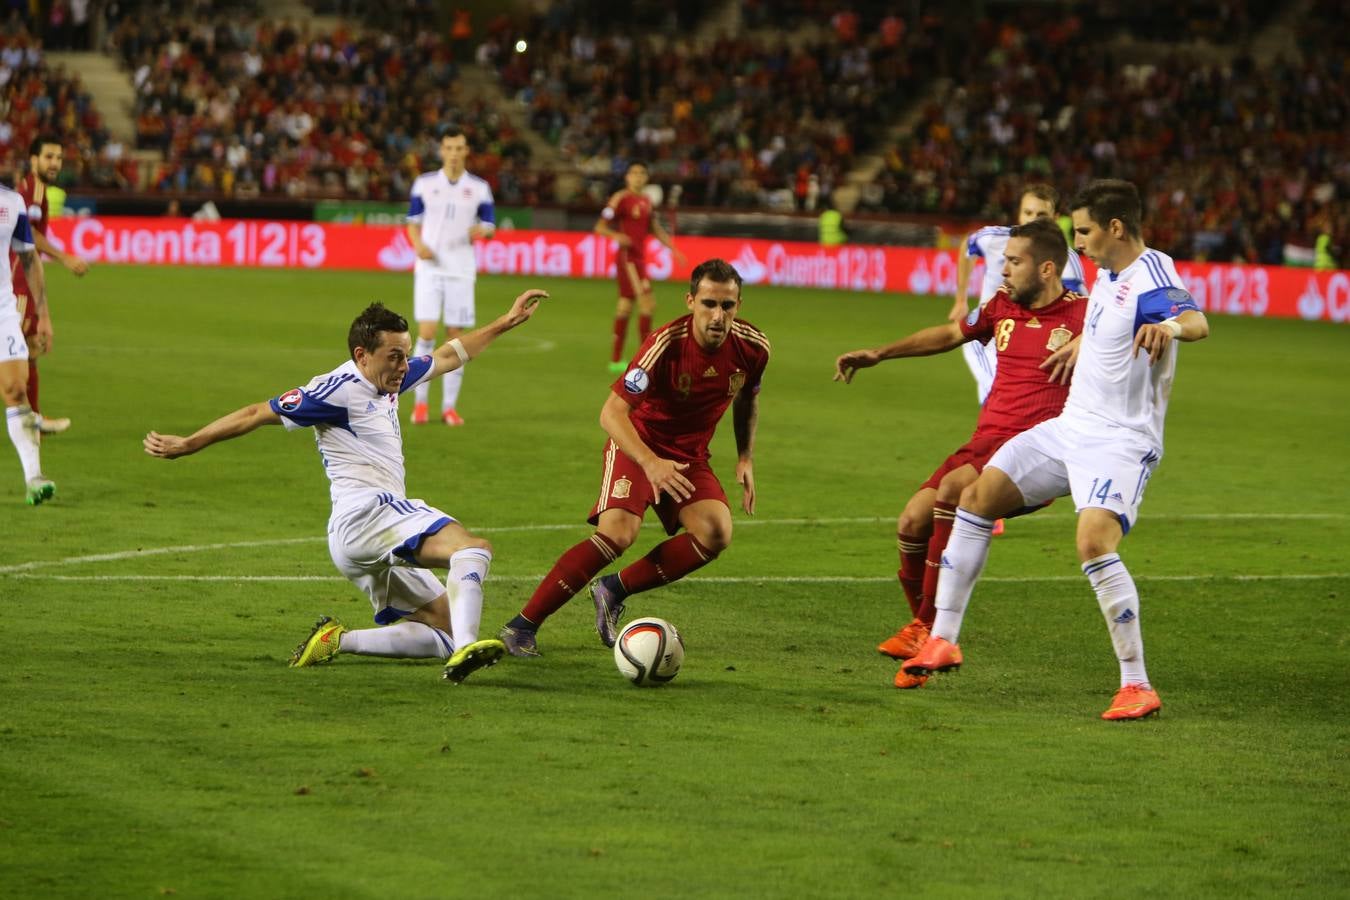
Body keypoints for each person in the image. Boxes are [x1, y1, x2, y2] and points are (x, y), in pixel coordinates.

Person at [903, 179, 1210, 720]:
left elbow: (1196, 320)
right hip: (1070, 427)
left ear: (1116, 228)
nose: (1078, 243)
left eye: (1085, 231)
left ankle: (1137, 684)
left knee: (1093, 544)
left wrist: (1168, 327)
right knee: (976, 497)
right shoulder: (1105, 274)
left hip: (1120, 439)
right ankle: (944, 638)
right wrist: (1082, 342)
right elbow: (1105, 321)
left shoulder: (1151, 272)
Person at [144, 289, 550, 683]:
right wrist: (190, 443)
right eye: (394, 356)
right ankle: (469, 646)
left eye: (405, 354)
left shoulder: (390, 378)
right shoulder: (334, 391)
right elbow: (256, 412)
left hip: (356, 539)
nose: (403, 365)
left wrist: (506, 322)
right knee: (472, 549)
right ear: (362, 355)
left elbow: (448, 355)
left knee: (441, 628)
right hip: (370, 514)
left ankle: (340, 640)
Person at [835, 217, 1085, 688]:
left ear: (1048, 268)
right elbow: (950, 335)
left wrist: (1090, 339)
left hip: (1031, 455)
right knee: (911, 520)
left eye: (1014, 261)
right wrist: (881, 354)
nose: (1003, 269)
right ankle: (926, 634)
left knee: (952, 490)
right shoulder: (1001, 306)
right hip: (983, 443)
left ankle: (931, 631)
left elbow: (1147, 321)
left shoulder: (1085, 315)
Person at [498, 258, 768, 657]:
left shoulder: (753, 347)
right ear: (690, 301)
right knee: (618, 533)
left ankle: (613, 589)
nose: (718, 315)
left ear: (738, 306)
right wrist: (650, 462)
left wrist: (745, 457)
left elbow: (748, 397)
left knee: (716, 533)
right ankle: (521, 626)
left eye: (727, 306)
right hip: (638, 442)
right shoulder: (664, 345)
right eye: (709, 303)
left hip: (689, 455)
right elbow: (611, 413)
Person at [952, 184, 1085, 405]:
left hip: (1028, 340)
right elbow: (968, 244)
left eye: (1041, 214)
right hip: (986, 336)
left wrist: (1081, 340)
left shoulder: (1066, 258)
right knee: (1001, 402)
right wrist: (960, 299)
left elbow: (1082, 307)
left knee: (1015, 407)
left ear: (1055, 217)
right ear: (1019, 214)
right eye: (1028, 213)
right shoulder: (994, 238)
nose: (1033, 219)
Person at [406, 126, 495, 426]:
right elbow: (412, 223)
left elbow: (490, 225)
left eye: (459, 148)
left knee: (456, 338)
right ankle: (420, 404)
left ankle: (448, 407)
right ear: (441, 151)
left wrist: (483, 230)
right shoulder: (424, 183)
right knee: (428, 333)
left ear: (466, 151)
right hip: (430, 269)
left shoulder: (479, 187)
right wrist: (418, 246)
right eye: (449, 148)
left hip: (460, 270)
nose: (454, 153)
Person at [11, 134, 91, 437]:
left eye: (59, 157)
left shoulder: (33, 189)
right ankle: (30, 418)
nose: (55, 163)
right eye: (48, 157)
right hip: (16, 279)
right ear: (34, 160)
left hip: (21, 278)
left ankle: (33, 418)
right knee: (17, 349)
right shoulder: (33, 189)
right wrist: (65, 257)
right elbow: (29, 234)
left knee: (28, 347)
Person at [595, 161, 684, 375]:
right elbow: (600, 227)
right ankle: (646, 359)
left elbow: (654, 228)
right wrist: (616, 235)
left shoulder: (646, 201)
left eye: (642, 173)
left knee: (625, 305)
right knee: (647, 304)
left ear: (646, 177)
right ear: (627, 177)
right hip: (628, 259)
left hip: (639, 259)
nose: (638, 176)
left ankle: (616, 360)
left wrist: (674, 249)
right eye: (633, 173)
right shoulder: (620, 199)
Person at [1, 181, 52, 505]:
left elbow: (30, 258)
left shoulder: (13, 202)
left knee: (18, 390)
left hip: (1, 309)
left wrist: (44, 313)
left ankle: (34, 476)